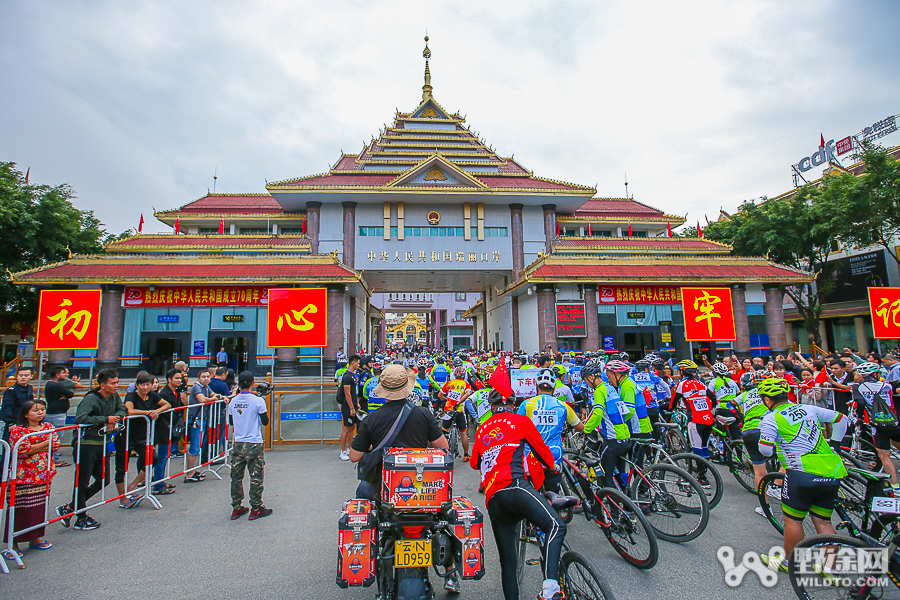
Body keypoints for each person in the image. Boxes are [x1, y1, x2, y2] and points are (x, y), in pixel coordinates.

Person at [469, 389, 565, 600]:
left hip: (494, 499)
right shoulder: (520, 421)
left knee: (508, 564)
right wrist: (552, 467)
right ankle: (550, 588)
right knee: (556, 525)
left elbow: (475, 462)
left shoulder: (483, 428)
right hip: (516, 485)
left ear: (491, 407)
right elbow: (541, 450)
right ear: (513, 404)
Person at [757, 378, 847, 573]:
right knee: (823, 521)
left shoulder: (771, 418)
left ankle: (789, 562)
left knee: (793, 520)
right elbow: (842, 419)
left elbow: (764, 450)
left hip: (800, 472)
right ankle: (830, 567)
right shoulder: (809, 408)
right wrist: (835, 445)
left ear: (766, 400)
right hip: (831, 469)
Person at [56, 369, 126, 531]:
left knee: (104, 480)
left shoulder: (114, 397)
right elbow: (80, 418)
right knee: (82, 482)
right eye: (112, 383)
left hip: (102, 444)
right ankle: (81, 517)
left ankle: (70, 508)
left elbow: (122, 409)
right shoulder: (91, 399)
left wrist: (115, 418)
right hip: (86, 444)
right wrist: (104, 419)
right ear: (102, 385)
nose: (116, 386)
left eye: (116, 382)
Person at [2, 399, 59, 559]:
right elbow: (22, 450)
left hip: (43, 474)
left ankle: (34, 538)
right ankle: (12, 543)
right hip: (23, 476)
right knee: (19, 508)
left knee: (38, 507)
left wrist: (37, 446)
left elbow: (55, 444)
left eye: (42, 409)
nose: (40, 412)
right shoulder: (18, 431)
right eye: (35, 410)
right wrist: (44, 444)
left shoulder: (48, 427)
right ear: (26, 414)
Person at [517, 369, 583, 492]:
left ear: (537, 387)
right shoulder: (562, 405)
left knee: (532, 496)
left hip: (531, 455)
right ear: (553, 390)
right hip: (553, 454)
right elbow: (579, 427)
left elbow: (517, 428)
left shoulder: (527, 404)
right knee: (553, 498)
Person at [225, 371, 271, 520]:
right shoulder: (258, 401)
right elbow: (265, 421)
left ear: (238, 384)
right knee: (255, 476)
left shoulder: (233, 401)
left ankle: (236, 507)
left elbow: (232, 422)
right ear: (253, 383)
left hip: (238, 442)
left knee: (236, 476)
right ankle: (256, 507)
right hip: (253, 442)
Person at [581, 360, 634, 488]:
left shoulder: (599, 391)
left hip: (612, 440)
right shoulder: (611, 388)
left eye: (586, 381)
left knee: (605, 477)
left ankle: (615, 508)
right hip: (624, 438)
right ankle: (627, 503)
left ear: (591, 377)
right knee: (620, 474)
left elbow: (597, 414)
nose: (587, 384)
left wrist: (585, 429)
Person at [852, 362, 900, 491]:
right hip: (894, 422)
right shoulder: (886, 385)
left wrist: (860, 417)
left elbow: (860, 403)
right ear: (876, 374)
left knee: (885, 456)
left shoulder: (858, 387)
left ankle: (895, 486)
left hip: (878, 425)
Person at [670, 359, 714, 487]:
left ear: (682, 372)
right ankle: (706, 472)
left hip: (695, 421)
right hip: (708, 419)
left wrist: (670, 408)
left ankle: (703, 479)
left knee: (697, 450)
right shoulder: (700, 383)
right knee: (705, 448)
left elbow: (674, 401)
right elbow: (712, 397)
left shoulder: (682, 385)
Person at [185, 369, 219, 482]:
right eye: (203, 376)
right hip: (196, 419)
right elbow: (202, 399)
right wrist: (212, 399)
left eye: (208, 377)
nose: (206, 379)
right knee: (194, 446)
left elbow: (213, 394)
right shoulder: (197, 387)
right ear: (198, 378)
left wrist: (220, 396)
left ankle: (193, 470)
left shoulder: (206, 387)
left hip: (202, 418)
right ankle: (189, 473)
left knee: (198, 445)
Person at [439, 366, 473, 460]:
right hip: (459, 411)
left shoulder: (449, 383)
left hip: (448, 411)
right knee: (463, 434)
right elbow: (468, 393)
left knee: (444, 432)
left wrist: (445, 399)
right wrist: (459, 402)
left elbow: (440, 395)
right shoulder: (466, 384)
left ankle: (442, 453)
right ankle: (466, 455)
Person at [44, 366, 74, 467]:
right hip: (57, 414)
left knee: (54, 436)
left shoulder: (51, 384)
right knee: (57, 436)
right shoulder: (56, 385)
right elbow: (70, 393)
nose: (65, 375)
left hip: (55, 413)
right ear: (57, 375)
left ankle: (53, 455)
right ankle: (55, 459)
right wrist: (68, 394)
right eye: (63, 373)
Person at [1, 366, 34, 443]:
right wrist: (10, 423)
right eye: (20, 375)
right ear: (17, 377)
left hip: (26, 420)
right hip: (15, 421)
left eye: (26, 375)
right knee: (11, 445)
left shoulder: (29, 388)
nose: (23, 378)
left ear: (31, 376)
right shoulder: (11, 391)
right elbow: (7, 408)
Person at [339, 355, 361, 461]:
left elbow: (354, 391)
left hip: (353, 404)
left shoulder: (353, 375)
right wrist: (351, 407)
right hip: (347, 406)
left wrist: (357, 403)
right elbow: (347, 393)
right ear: (353, 363)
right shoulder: (347, 376)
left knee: (352, 427)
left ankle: (349, 448)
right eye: (357, 363)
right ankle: (343, 451)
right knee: (347, 428)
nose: (358, 365)